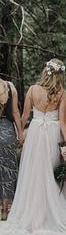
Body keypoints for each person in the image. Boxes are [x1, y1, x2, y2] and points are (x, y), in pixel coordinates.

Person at [0, 59, 66, 235]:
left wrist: (20, 134)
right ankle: (48, 215)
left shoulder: (33, 89)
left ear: (45, 71)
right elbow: (63, 121)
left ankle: (33, 216)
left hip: (35, 133)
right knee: (49, 173)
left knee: (34, 174)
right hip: (52, 135)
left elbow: (24, 116)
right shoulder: (63, 94)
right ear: (60, 74)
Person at [0, 79, 23, 220]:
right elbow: (15, 112)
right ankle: (6, 209)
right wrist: (20, 133)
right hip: (8, 131)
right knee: (8, 169)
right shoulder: (10, 87)